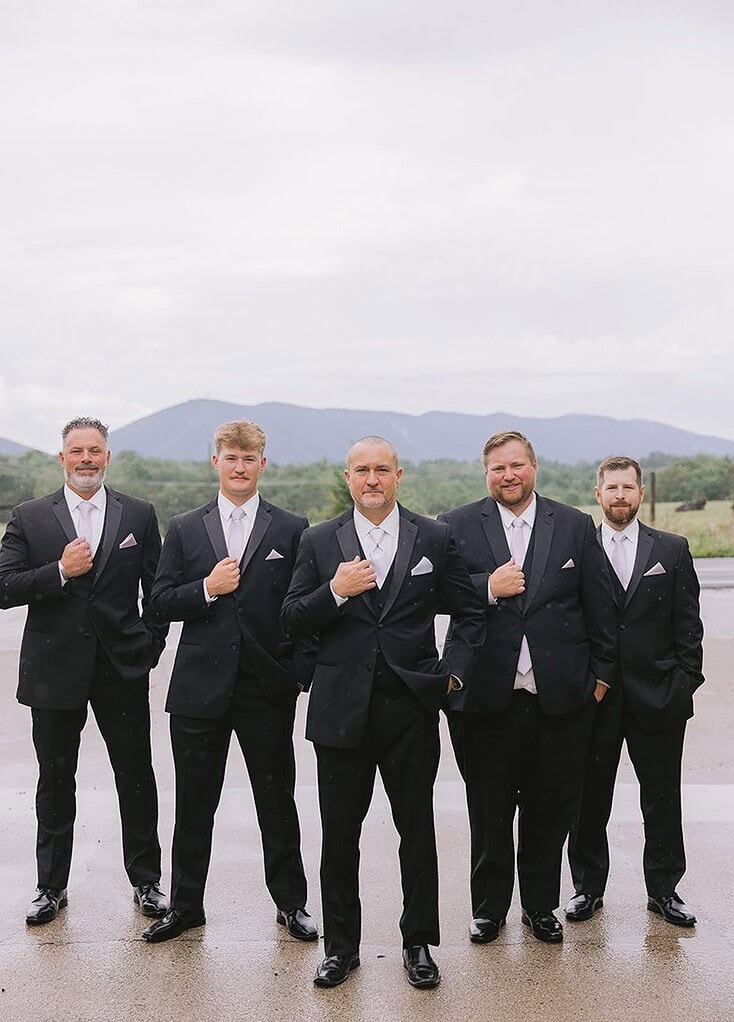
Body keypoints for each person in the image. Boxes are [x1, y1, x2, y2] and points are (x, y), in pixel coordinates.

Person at [281, 436, 485, 989]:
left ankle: (418, 943)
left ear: (399, 475)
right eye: (361, 470)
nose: (372, 479)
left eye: (381, 470)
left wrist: (453, 673)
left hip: (410, 708)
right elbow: (293, 616)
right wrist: (336, 591)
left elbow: (470, 611)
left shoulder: (435, 538)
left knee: (416, 830)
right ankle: (340, 948)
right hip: (340, 711)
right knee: (339, 834)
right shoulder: (318, 541)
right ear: (348, 477)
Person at [438, 430, 616, 945]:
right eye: (497, 468)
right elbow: (436, 594)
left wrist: (599, 680)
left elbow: (599, 606)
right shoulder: (457, 525)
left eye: (516, 465)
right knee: (489, 810)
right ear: (485, 473)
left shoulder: (575, 525)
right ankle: (489, 910)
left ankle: (540, 907)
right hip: (482, 699)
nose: (508, 475)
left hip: (560, 699)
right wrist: (485, 588)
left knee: (550, 809)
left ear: (533, 467)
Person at [142, 420, 317, 944]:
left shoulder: (292, 527)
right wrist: (206, 589)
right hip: (199, 688)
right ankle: (186, 905)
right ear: (214, 461)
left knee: (276, 800)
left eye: (249, 458)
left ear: (263, 463)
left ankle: (292, 903)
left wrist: (298, 674)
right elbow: (160, 601)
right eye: (230, 458)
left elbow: (300, 608)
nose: (239, 467)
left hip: (266, 688)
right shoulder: (185, 527)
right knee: (194, 803)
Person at [0, 417, 168, 925]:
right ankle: (50, 887)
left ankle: (147, 882)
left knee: (135, 775)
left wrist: (149, 647)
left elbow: (156, 593)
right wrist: (58, 572)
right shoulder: (30, 516)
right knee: (56, 779)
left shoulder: (138, 515)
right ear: (63, 458)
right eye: (77, 451)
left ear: (108, 456)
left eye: (95, 450)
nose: (87, 459)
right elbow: (5, 586)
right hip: (54, 671)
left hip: (122, 667)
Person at [566, 455, 704, 927]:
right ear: (598, 494)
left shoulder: (672, 549)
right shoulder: (580, 549)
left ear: (640, 494)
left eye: (628, 487)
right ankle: (587, 888)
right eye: (612, 488)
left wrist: (684, 683)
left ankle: (664, 890)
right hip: (597, 698)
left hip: (659, 696)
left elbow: (689, 626)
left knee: (662, 798)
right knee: (589, 797)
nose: (620, 495)